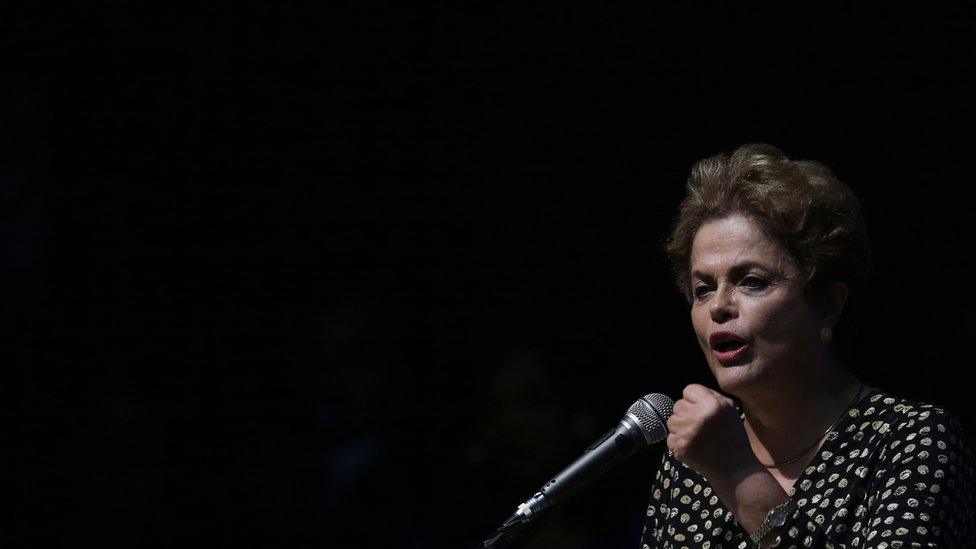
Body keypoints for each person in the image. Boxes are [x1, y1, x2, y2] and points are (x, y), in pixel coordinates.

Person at [640, 144, 974, 548]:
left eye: (752, 282)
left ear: (828, 303)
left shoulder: (909, 440)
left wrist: (739, 477)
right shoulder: (693, 460)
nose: (719, 307)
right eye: (702, 289)